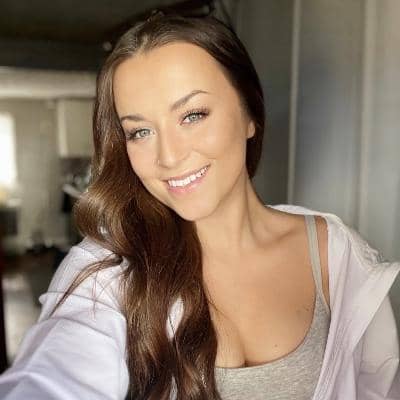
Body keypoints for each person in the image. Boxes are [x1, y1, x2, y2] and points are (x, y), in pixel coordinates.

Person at [0, 10, 399, 400]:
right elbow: (52, 377)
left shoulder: (336, 255)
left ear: (249, 114)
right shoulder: (109, 269)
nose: (169, 157)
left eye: (192, 115)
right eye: (140, 131)